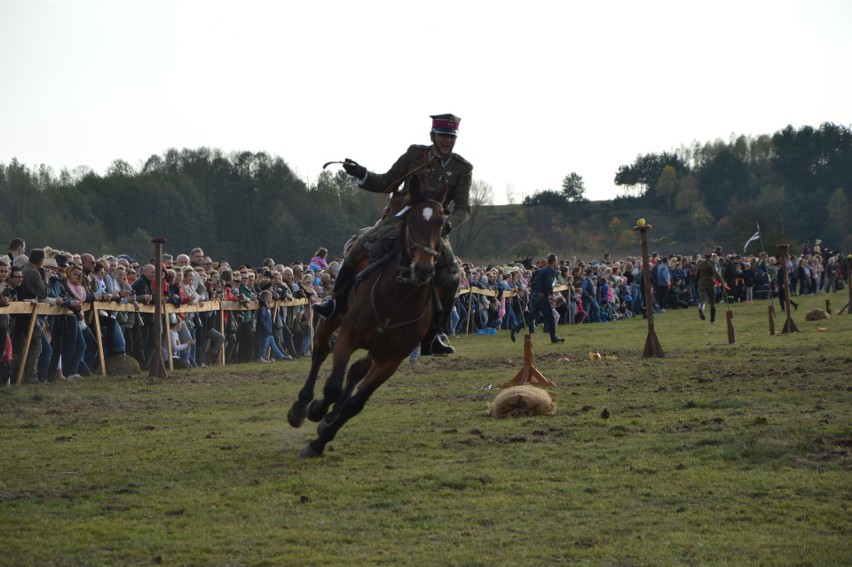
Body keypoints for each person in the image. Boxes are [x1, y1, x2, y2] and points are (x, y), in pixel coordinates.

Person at [313, 113, 472, 356]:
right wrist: (362, 174)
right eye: (443, 136)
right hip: (401, 216)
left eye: (451, 137)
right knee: (361, 245)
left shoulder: (462, 167)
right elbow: (387, 180)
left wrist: (449, 223)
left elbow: (463, 206)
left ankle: (435, 334)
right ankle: (334, 300)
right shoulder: (414, 154)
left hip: (433, 226)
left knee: (452, 273)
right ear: (433, 136)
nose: (447, 141)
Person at [512, 254, 565, 344]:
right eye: (556, 260)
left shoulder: (539, 271)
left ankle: (515, 329)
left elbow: (532, 282)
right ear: (554, 261)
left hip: (534, 296)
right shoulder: (551, 271)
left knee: (531, 316)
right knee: (550, 317)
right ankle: (553, 338)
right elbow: (548, 284)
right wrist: (552, 295)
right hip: (542, 297)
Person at [696, 251, 726, 324]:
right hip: (710, 283)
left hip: (701, 283)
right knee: (712, 302)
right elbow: (716, 273)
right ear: (711, 256)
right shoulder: (712, 263)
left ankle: (701, 307)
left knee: (703, 299)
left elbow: (697, 275)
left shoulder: (700, 264)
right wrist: (722, 282)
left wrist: (699, 282)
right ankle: (712, 320)